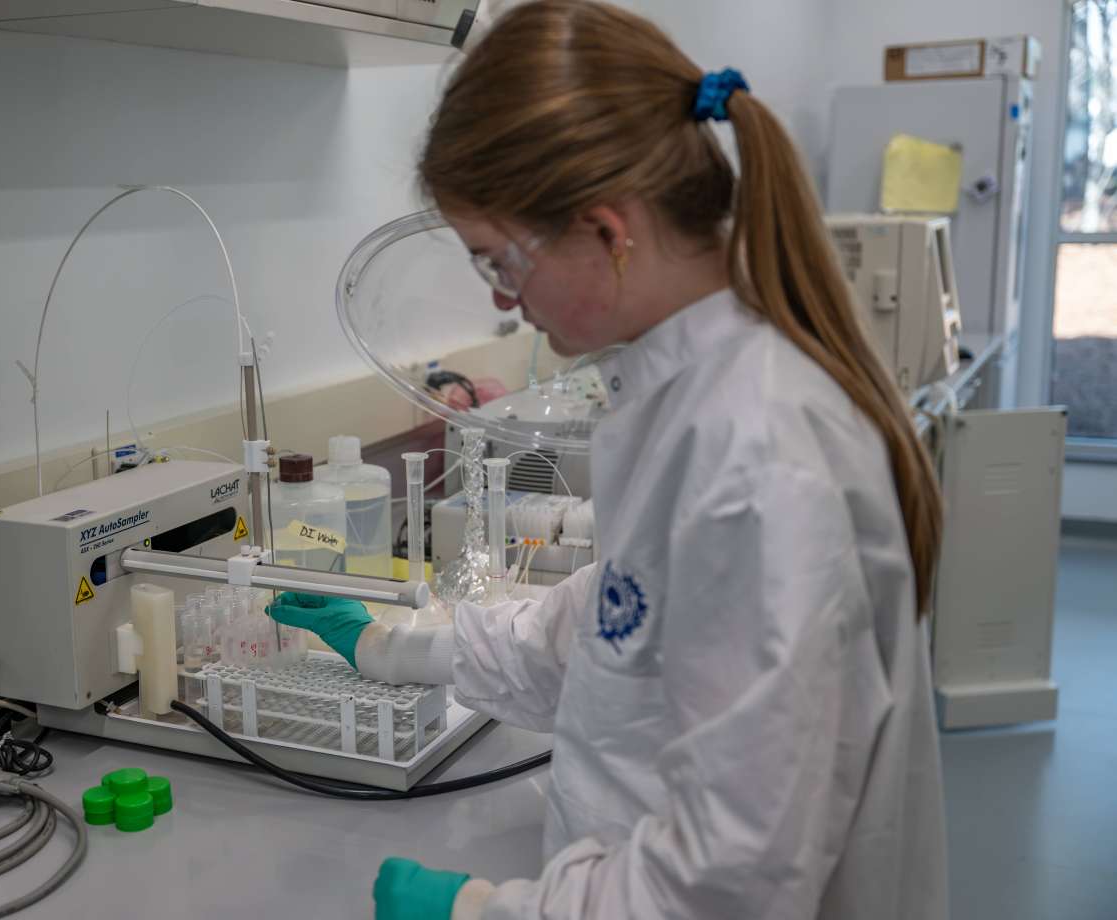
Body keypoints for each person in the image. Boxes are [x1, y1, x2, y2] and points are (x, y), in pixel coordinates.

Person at [270, 1, 949, 917]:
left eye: (497, 263)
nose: (507, 305)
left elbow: (734, 876)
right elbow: (608, 633)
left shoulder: (755, 449)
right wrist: (395, 645)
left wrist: (477, 913)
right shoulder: (674, 394)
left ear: (606, 230)